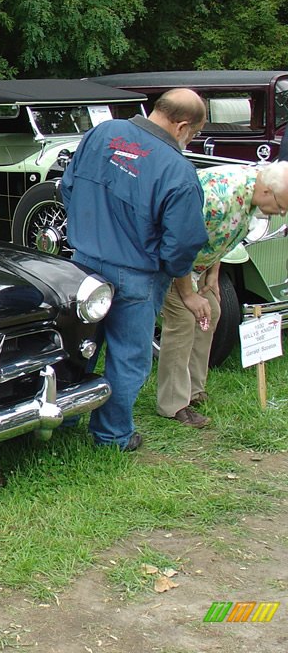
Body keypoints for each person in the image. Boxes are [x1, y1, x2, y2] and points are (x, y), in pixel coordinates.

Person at [60, 88, 210, 451]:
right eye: (191, 135)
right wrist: (171, 272)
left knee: (80, 347)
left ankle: (65, 419)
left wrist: (88, 230)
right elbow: (184, 242)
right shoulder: (178, 170)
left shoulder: (101, 133)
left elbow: (67, 186)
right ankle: (113, 436)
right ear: (182, 126)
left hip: (83, 266)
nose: (188, 141)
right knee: (128, 358)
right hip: (137, 274)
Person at [157, 161, 288, 426]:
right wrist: (188, 294)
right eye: (282, 205)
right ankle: (173, 404)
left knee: (212, 311)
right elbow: (180, 244)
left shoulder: (253, 191)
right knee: (183, 319)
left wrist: (212, 274)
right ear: (266, 193)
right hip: (169, 260)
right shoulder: (221, 198)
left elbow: (223, 236)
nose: (282, 212)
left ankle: (194, 390)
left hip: (195, 262)